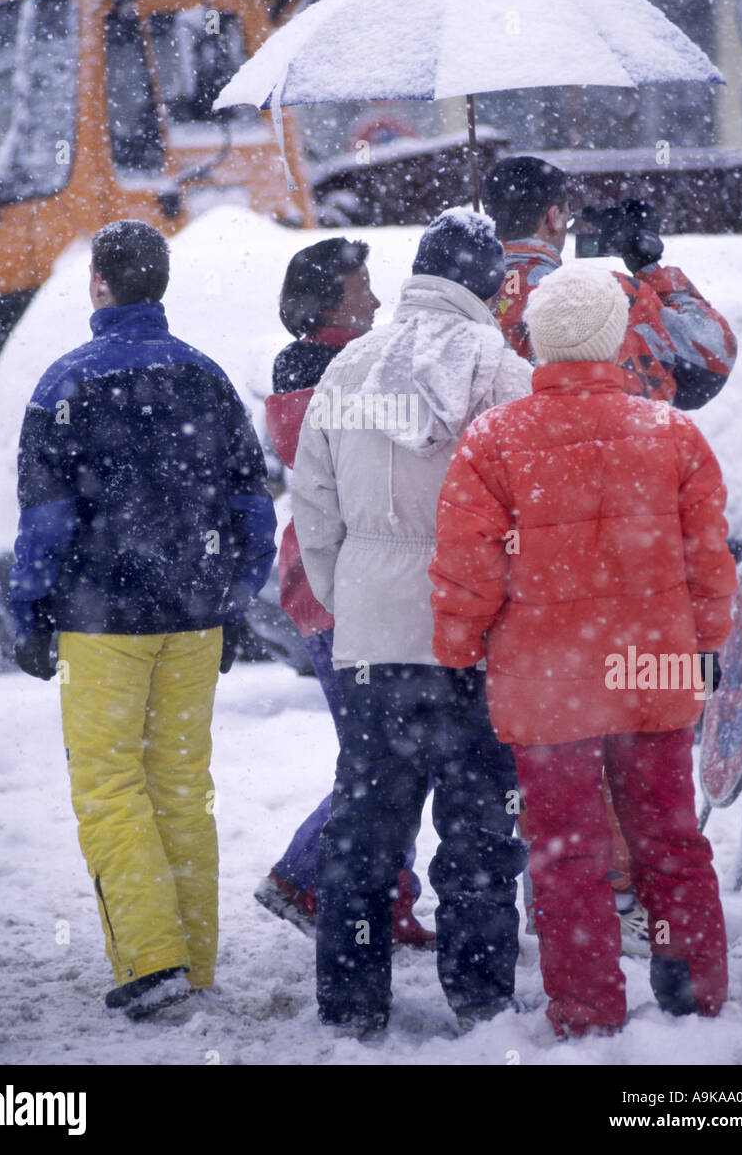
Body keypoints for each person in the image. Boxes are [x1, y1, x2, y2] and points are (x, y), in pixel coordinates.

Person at [429, 262, 738, 1038]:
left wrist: (459, 648)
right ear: (613, 337)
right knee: (669, 836)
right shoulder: (671, 433)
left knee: (566, 853)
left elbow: (469, 567)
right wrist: (705, 642)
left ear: (535, 341)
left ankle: (586, 1009)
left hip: (546, 682)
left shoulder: (493, 440)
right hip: (653, 670)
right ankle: (692, 990)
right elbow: (709, 560)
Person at [9, 220, 276, 1020]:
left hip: (101, 622)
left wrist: (28, 610)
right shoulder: (208, 378)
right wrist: (234, 600)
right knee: (182, 788)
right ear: (159, 283)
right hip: (195, 618)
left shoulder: (63, 385)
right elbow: (252, 507)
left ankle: (150, 960)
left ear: (99, 285)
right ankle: (193, 959)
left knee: (111, 785)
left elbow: (46, 518)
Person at [484, 154, 738, 952]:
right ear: (560, 214)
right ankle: (633, 907)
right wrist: (653, 266)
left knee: (553, 754)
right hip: (636, 549)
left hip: (531, 563)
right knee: (638, 751)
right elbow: (711, 360)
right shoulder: (608, 297)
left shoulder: (471, 301)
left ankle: (564, 908)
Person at [291, 209, 531, 1036]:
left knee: (365, 826)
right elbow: (528, 511)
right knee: (478, 826)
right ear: (484, 284)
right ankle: (479, 992)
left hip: (372, 638)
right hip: (477, 636)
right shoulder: (500, 371)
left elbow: (312, 505)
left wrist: (350, 593)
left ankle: (353, 1000)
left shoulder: (348, 366)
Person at [255, 236, 435, 947]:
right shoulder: (331, 371)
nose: (380, 297)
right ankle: (305, 877)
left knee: (389, 754)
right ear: (331, 298)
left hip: (332, 587)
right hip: (344, 591)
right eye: (364, 285)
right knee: (388, 759)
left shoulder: (339, 364)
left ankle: (385, 901)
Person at [484, 155, 737, 409]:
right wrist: (648, 267)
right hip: (619, 442)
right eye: (567, 219)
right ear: (554, 219)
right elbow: (712, 359)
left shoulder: (466, 298)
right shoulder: (610, 296)